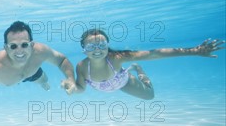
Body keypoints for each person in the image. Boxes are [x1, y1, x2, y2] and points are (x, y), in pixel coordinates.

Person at [0, 21, 77, 114]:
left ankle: (43, 84)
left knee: (43, 80)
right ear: (6, 47)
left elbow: (62, 60)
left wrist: (70, 78)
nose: (20, 51)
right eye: (13, 46)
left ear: (32, 45)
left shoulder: (40, 52)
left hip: (30, 70)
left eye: (24, 45)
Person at [74, 29, 224, 99]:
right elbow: (80, 88)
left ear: (107, 45)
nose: (97, 49)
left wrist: (194, 51)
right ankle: (134, 68)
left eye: (101, 44)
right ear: (84, 50)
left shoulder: (117, 58)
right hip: (108, 86)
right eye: (91, 46)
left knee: (149, 96)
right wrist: (70, 87)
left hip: (122, 81)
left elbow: (154, 53)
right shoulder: (81, 67)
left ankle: (138, 69)